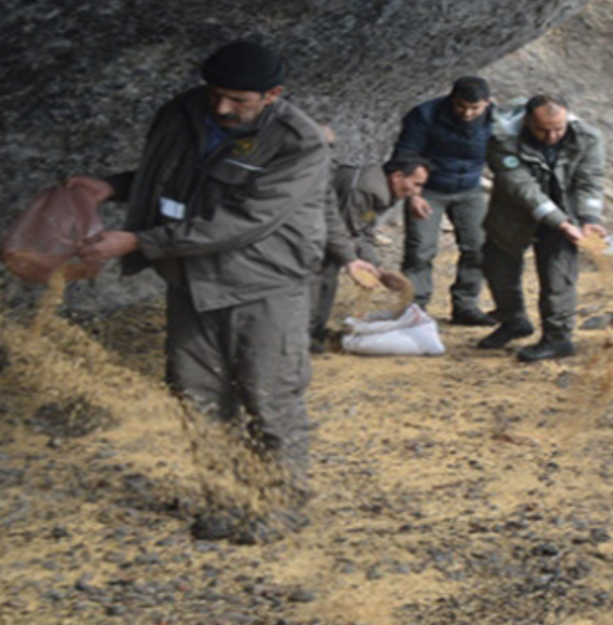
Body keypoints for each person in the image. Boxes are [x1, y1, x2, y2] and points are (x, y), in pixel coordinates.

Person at [76, 39, 330, 543]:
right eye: (215, 93)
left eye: (238, 99)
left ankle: (280, 504)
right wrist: (109, 186)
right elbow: (167, 177)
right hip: (192, 281)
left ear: (273, 94)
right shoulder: (183, 112)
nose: (221, 107)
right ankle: (224, 496)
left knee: (270, 397)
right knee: (196, 394)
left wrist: (139, 240)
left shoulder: (298, 143)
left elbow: (242, 222)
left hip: (263, 285)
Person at [478, 94, 605, 362]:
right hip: (514, 215)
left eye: (558, 129)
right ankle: (513, 320)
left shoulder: (587, 137)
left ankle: (558, 338)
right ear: (526, 121)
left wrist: (589, 218)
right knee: (499, 271)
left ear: (567, 119)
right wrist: (558, 220)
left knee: (559, 278)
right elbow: (521, 187)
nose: (551, 137)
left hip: (566, 217)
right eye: (542, 130)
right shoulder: (502, 139)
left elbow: (590, 180)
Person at [394, 76, 496, 326]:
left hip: (470, 189)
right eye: (461, 106)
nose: (467, 113)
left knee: (478, 247)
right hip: (429, 189)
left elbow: (508, 154)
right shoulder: (425, 115)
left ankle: (466, 305)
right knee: (420, 250)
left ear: (487, 103)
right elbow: (407, 154)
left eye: (475, 108)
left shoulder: (498, 119)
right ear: (452, 99)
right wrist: (414, 195)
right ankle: (414, 309)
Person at [310, 156, 432, 351]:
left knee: (328, 274)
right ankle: (305, 334)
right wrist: (354, 261)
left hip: (330, 231)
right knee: (321, 275)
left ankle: (315, 330)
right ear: (397, 176)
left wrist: (379, 271)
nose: (416, 192)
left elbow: (362, 231)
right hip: (312, 231)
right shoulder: (366, 189)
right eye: (416, 184)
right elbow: (346, 230)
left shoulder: (382, 190)